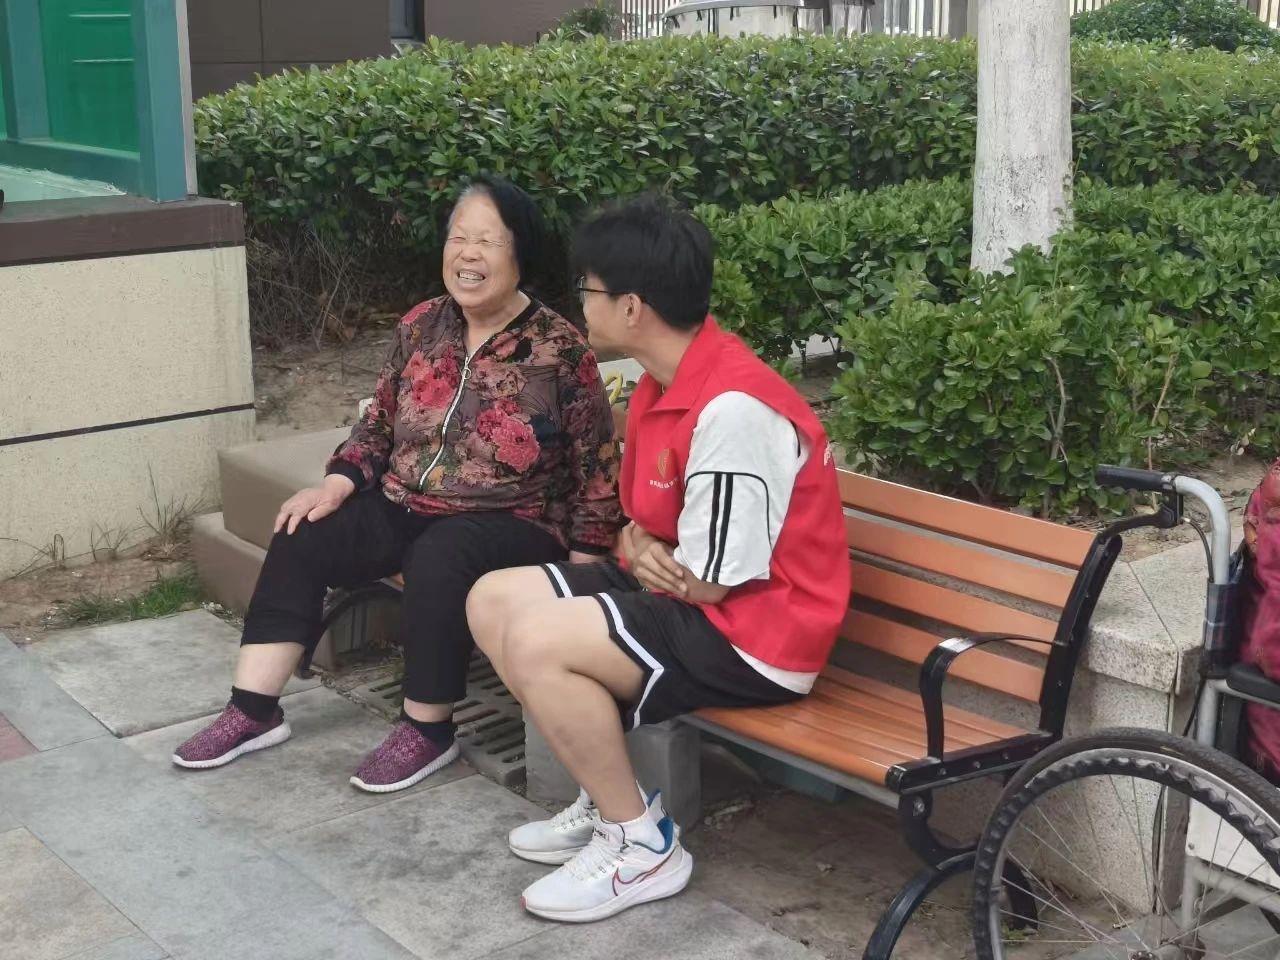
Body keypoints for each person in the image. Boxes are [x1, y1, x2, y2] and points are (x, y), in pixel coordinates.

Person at [465, 196, 851, 922]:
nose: (580, 302)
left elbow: (708, 580)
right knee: (493, 599)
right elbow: (638, 529)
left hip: (756, 636)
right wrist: (640, 547)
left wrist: (644, 548)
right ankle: (607, 796)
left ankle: (642, 845)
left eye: (587, 288)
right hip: (689, 597)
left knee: (539, 639)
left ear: (632, 306)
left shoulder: (732, 408)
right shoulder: (661, 381)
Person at [173, 177, 623, 793]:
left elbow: (596, 464)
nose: (468, 254)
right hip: (405, 500)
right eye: (458, 238)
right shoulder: (422, 325)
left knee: (440, 554)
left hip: (513, 520)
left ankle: (428, 729)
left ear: (521, 253)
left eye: (488, 240)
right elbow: (379, 423)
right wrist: (337, 483)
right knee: (304, 529)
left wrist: (586, 562)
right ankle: (253, 710)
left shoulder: (558, 350)